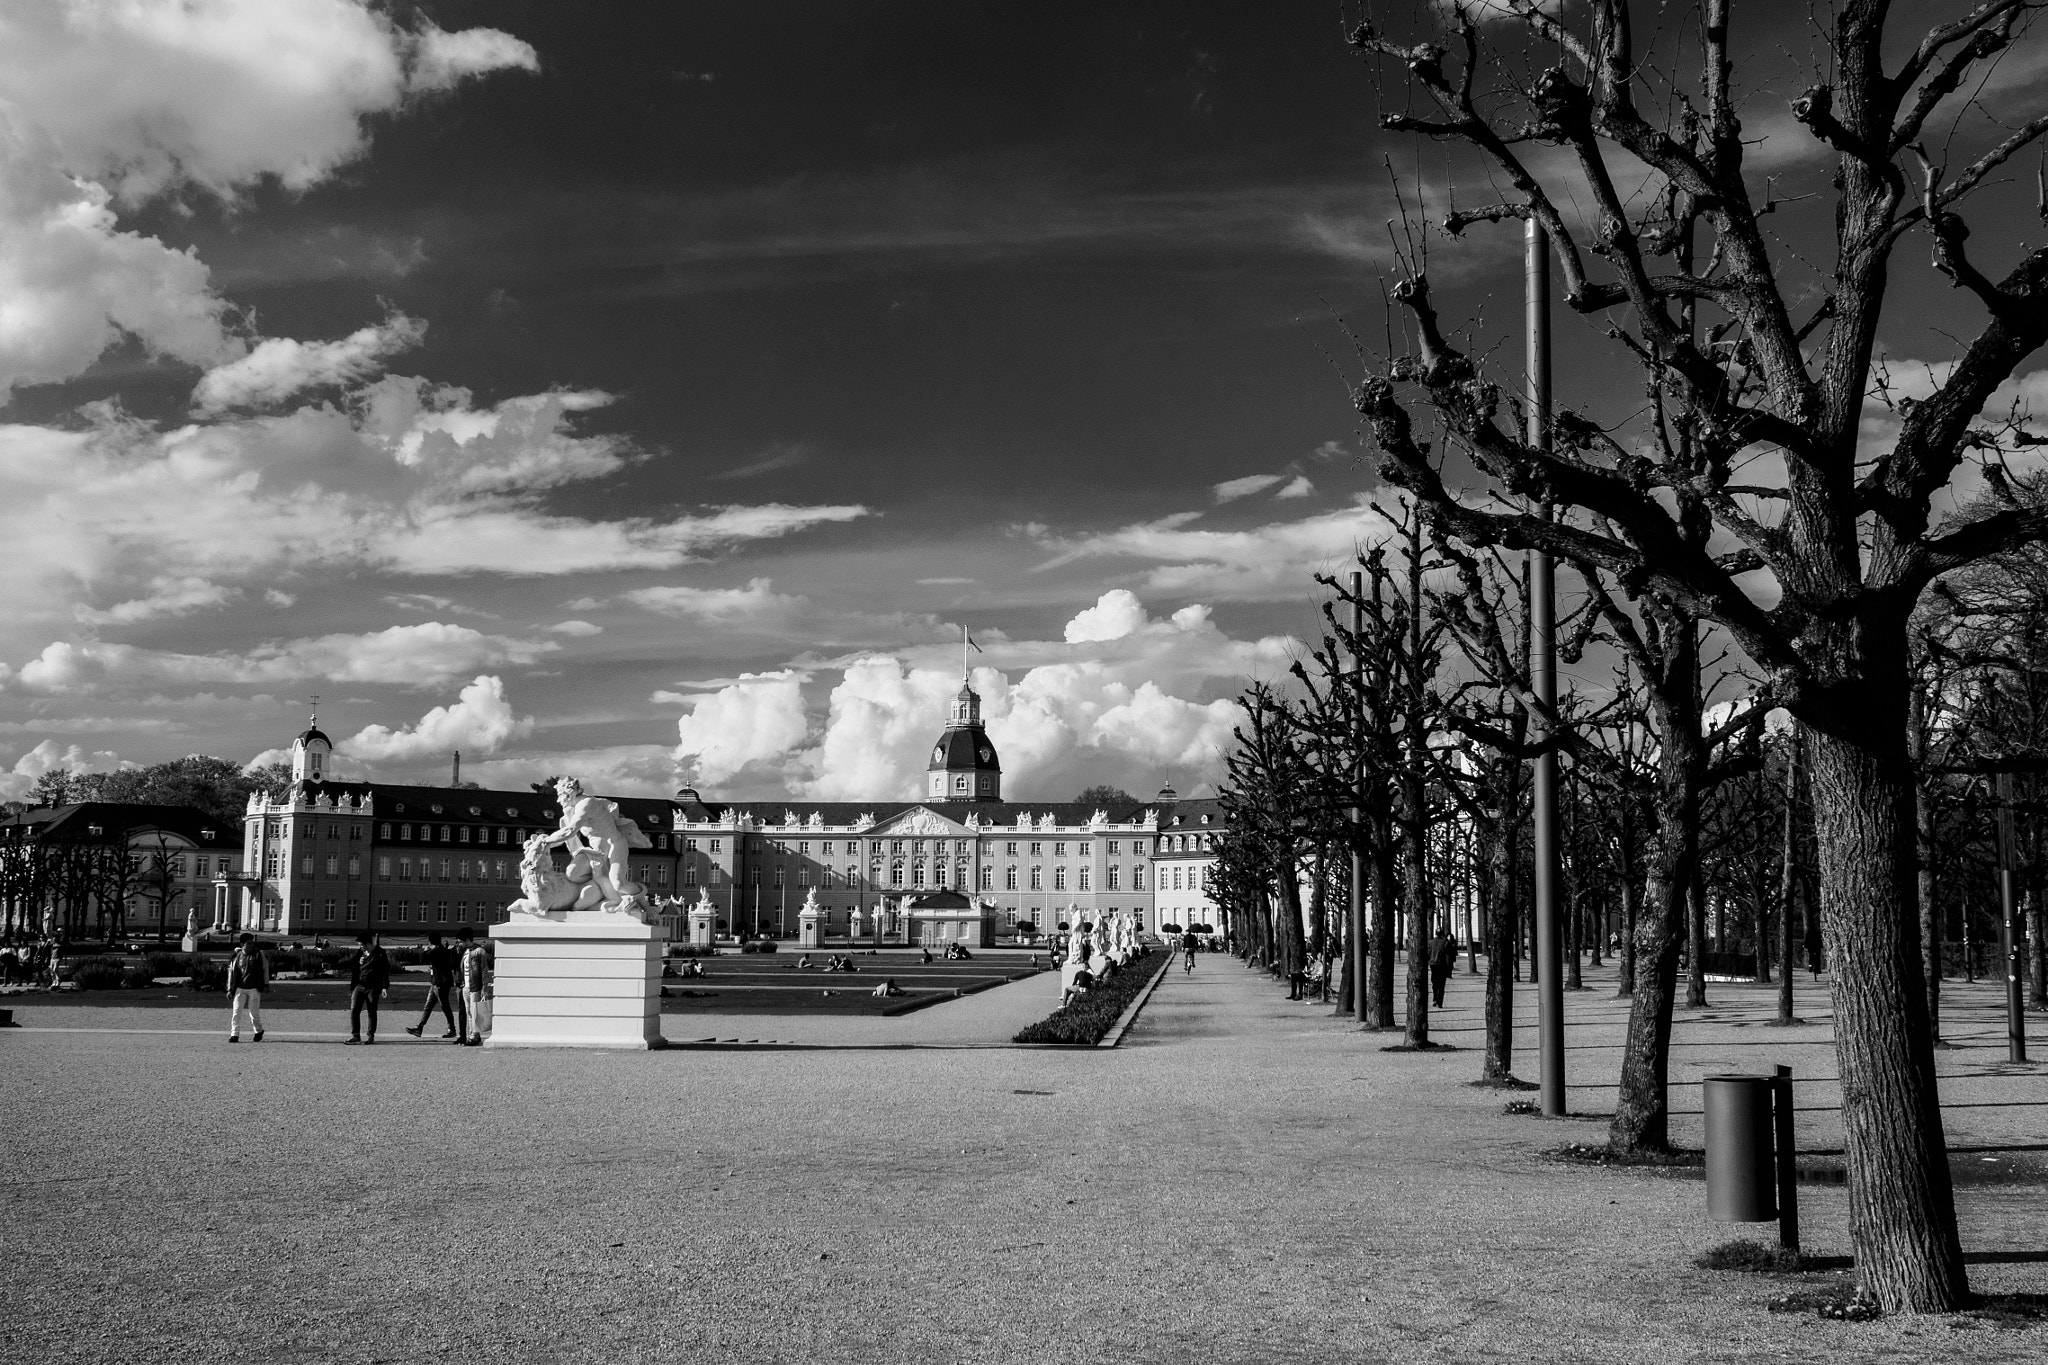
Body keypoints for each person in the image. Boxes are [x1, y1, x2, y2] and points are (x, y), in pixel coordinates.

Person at [405, 931, 461, 1039]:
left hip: (440, 982)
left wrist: (426, 949)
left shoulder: (435, 951)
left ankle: (452, 1029)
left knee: (443, 1006)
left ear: (430, 941)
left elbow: (422, 957)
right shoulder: (443, 950)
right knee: (430, 1006)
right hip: (438, 982)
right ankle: (419, 1027)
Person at [346, 931, 390, 1045]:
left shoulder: (380, 953)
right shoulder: (360, 953)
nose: (359, 946)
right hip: (359, 986)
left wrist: (385, 987)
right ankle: (355, 1036)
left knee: (371, 1011)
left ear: (368, 943)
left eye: (361, 944)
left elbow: (385, 970)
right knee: (354, 1010)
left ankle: (370, 1036)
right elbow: (351, 964)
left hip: (373, 987)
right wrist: (358, 963)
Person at [226, 932, 268, 1043]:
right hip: (240, 988)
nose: (251, 946)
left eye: (252, 943)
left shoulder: (258, 954)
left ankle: (258, 1030)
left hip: (254, 988)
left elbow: (265, 968)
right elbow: (231, 972)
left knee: (253, 1012)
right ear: (242, 944)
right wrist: (230, 989)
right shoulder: (237, 956)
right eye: (248, 944)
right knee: (236, 1012)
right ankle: (234, 1034)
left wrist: (266, 984)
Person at [457, 927, 489, 1046]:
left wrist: (484, 988)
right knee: (469, 1012)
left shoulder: (479, 952)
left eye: (460, 941)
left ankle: (474, 1036)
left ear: (467, 939)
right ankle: (473, 1034)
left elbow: (484, 971)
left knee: (475, 1012)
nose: (459, 943)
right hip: (466, 986)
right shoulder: (465, 952)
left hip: (475, 986)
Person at [1429, 927, 1459, 1007]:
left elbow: (1428, 954)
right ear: (1442, 934)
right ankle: (1439, 1001)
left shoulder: (1430, 942)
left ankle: (1435, 998)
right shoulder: (1445, 943)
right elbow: (1448, 956)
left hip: (1433, 965)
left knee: (1434, 982)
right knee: (1441, 984)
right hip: (1442, 965)